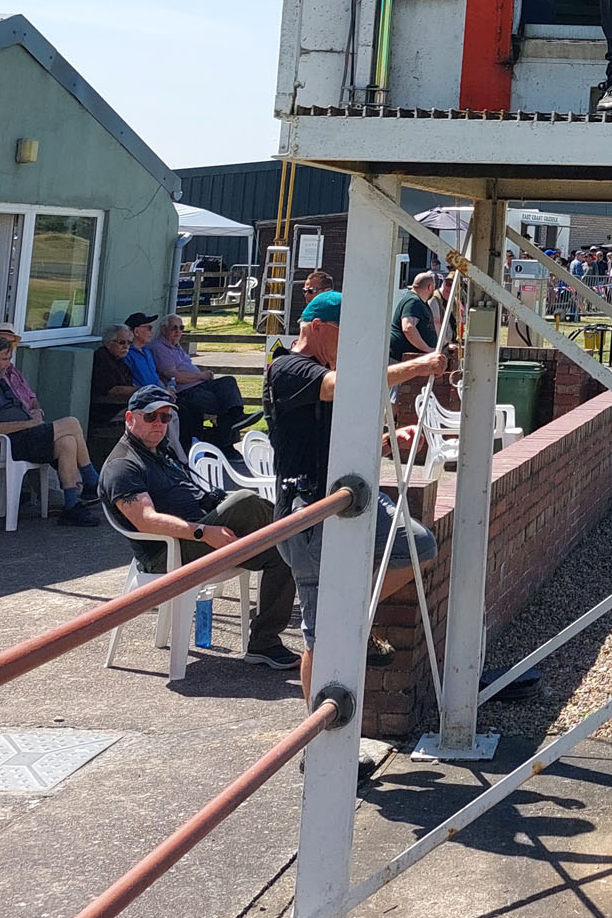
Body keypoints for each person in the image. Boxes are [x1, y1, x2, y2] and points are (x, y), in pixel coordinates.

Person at [265, 290, 448, 705]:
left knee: (416, 546)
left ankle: (351, 609)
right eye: (345, 334)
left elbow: (332, 442)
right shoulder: (288, 368)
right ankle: (317, 746)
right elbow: (338, 386)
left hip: (345, 497)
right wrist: (416, 366)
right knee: (319, 636)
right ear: (316, 328)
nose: (352, 345)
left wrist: (383, 442)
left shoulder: (324, 369)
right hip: (308, 509)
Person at [98, 386, 298, 668]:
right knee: (247, 502)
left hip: (199, 538)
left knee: (282, 553)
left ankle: (264, 642)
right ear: (130, 418)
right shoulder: (123, 465)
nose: (159, 424)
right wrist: (204, 532)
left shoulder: (161, 452)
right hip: (169, 552)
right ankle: (299, 527)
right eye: (151, 416)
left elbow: (194, 494)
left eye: (165, 418)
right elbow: (146, 520)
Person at [0, 331, 103, 525]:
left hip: (26, 437)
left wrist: (32, 414)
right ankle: (92, 479)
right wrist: (28, 423)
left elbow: (22, 405)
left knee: (67, 441)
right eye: (4, 359)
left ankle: (71, 506)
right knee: (71, 423)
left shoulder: (0, 381)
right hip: (7, 443)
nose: (8, 364)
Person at [149, 314, 247, 453]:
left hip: (199, 384)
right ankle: (227, 445)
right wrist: (201, 375)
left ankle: (237, 416)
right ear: (164, 330)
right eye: (174, 328)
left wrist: (202, 376)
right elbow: (174, 376)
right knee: (220, 403)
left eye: (181, 328)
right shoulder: (159, 347)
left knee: (228, 382)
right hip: (185, 390)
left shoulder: (176, 346)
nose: (178, 331)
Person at [90, 324, 136, 432]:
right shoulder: (102, 358)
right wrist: (143, 390)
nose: (126, 346)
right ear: (109, 343)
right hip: (107, 411)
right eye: (121, 342)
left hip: (122, 406)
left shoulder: (121, 362)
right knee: (151, 414)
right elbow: (114, 390)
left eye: (129, 343)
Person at [390, 271, 439, 363]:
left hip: (406, 360)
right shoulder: (413, 301)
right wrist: (428, 349)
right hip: (399, 358)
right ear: (430, 287)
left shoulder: (420, 302)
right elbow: (408, 327)